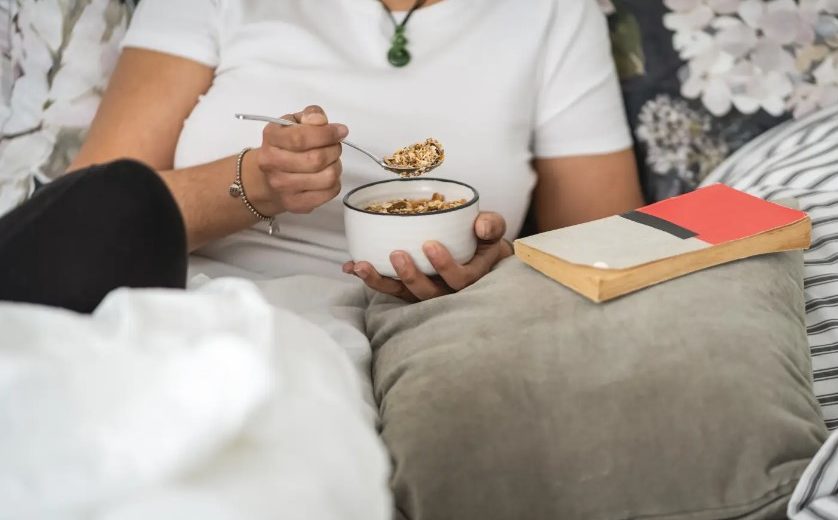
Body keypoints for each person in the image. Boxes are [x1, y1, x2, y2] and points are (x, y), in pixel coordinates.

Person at [61, 0, 644, 303]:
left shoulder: (552, 14)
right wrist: (257, 183)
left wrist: (499, 267)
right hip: (195, 304)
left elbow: (606, 252)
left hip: (439, 332)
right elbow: (76, 222)